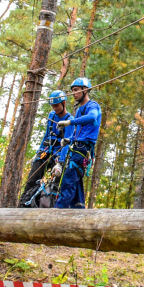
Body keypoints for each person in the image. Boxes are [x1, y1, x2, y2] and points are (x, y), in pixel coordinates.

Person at [52, 77, 102, 209]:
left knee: (68, 179)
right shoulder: (79, 110)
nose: (74, 94)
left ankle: (58, 209)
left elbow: (92, 117)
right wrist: (69, 139)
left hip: (83, 148)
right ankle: (79, 209)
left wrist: (70, 122)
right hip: (77, 146)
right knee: (76, 180)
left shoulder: (92, 106)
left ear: (85, 90)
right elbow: (79, 131)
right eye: (72, 91)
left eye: (76, 90)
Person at [19, 90, 73, 207]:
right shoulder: (51, 115)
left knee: (56, 184)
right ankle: (23, 205)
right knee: (32, 178)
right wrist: (39, 151)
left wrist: (61, 163)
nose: (54, 108)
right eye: (53, 106)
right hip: (46, 151)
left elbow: (67, 143)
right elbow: (46, 135)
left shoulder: (69, 120)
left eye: (57, 105)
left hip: (58, 155)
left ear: (63, 103)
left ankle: (52, 208)